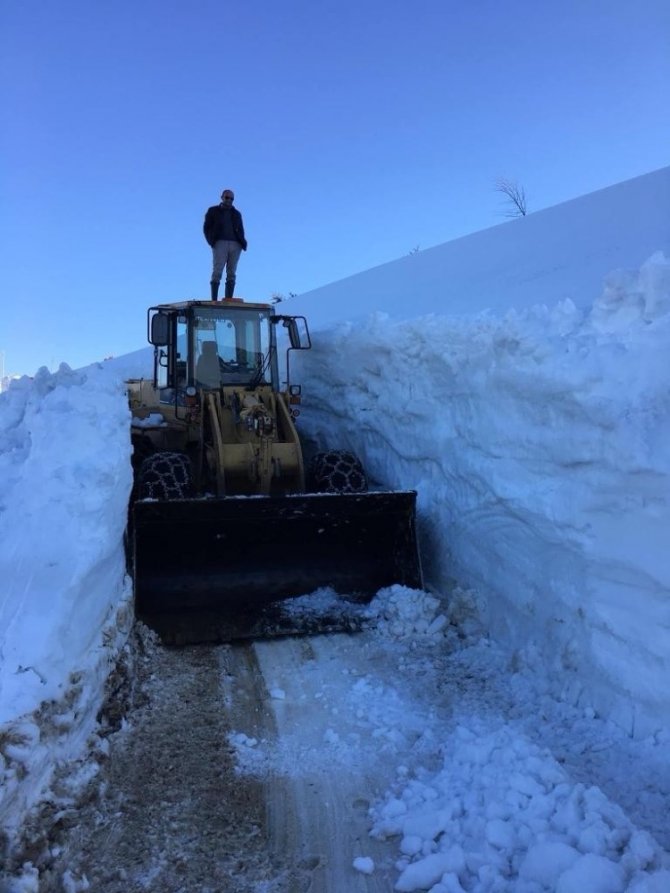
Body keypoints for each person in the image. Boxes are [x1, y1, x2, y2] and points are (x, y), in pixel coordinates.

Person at [203, 189, 248, 301]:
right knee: (217, 270)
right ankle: (214, 300)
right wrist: (212, 240)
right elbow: (206, 227)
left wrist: (241, 243)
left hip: (235, 244)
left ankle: (228, 300)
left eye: (232, 198)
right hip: (220, 242)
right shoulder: (213, 211)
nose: (229, 200)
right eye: (227, 197)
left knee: (231, 272)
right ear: (222, 197)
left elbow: (241, 229)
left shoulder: (236, 213)